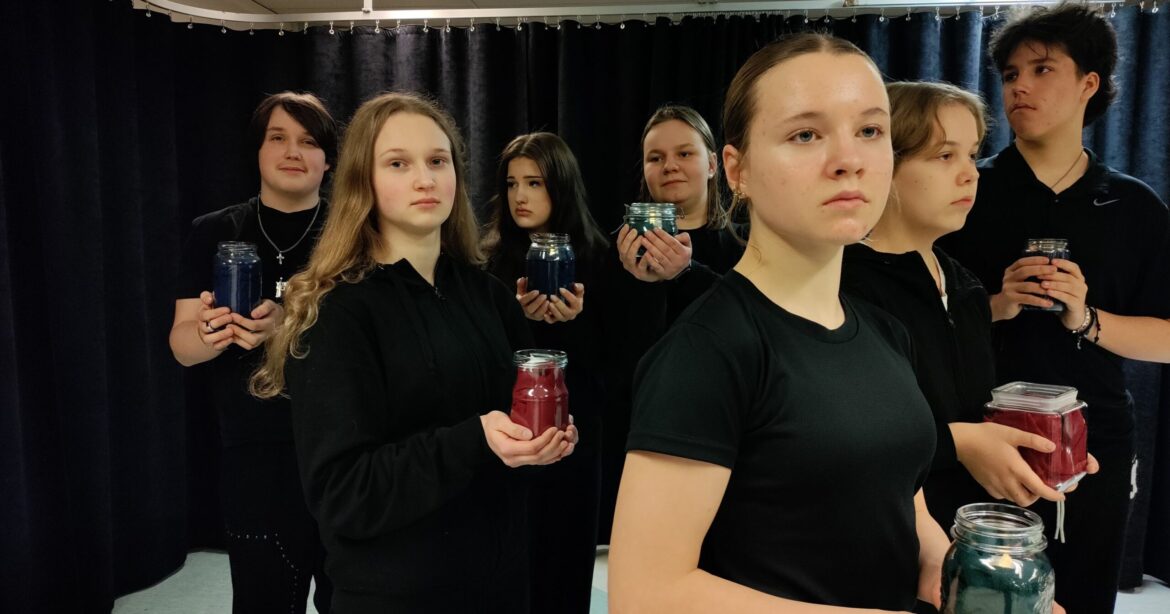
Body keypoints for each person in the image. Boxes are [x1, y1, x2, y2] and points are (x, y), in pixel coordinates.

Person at [609, 33, 949, 612]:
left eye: (870, 130)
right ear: (736, 170)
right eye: (805, 135)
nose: (849, 159)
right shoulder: (707, 352)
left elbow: (900, 498)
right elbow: (644, 595)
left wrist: (956, 570)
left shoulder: (886, 333)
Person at [249, 92, 577, 613]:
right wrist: (475, 439)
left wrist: (542, 444)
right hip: (395, 597)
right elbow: (342, 494)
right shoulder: (338, 313)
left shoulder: (489, 296)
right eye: (398, 164)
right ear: (363, 181)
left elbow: (518, 434)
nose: (425, 179)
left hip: (502, 586)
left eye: (438, 161)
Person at [939, 5, 1170, 612]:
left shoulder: (1135, 206)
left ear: (1089, 83)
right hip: (981, 432)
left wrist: (1086, 319)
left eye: (1042, 69)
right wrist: (995, 305)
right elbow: (913, 321)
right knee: (978, 597)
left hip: (1093, 439)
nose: (1020, 86)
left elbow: (1167, 338)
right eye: (1011, 73)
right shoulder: (964, 191)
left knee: (1084, 595)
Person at [843, 81, 1098, 530]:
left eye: (972, 154)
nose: (970, 174)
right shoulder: (846, 284)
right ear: (882, 165)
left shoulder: (964, 283)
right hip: (884, 532)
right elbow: (846, 437)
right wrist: (958, 444)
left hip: (966, 526)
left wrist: (1027, 442)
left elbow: (966, 409)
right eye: (945, 156)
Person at [169, 91, 336, 614]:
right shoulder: (216, 232)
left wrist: (289, 324)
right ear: (257, 151)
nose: (293, 152)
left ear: (329, 159)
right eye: (278, 138)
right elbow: (181, 348)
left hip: (344, 445)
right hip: (254, 452)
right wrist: (209, 334)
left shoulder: (353, 233)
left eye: (309, 141)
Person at [599, 106, 749, 543]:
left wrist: (686, 274)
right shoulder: (617, 249)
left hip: (728, 439)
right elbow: (615, 359)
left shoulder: (748, 241)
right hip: (644, 438)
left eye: (684, 153)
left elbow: (754, 322)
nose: (669, 166)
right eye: (656, 157)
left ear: (713, 164)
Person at [481, 131, 609, 614]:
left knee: (567, 560)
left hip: (576, 435)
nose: (520, 195)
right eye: (512, 183)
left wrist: (575, 325)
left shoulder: (598, 257)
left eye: (534, 183)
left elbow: (615, 364)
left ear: (561, 185)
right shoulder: (489, 260)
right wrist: (514, 321)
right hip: (509, 435)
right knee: (511, 563)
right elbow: (481, 360)